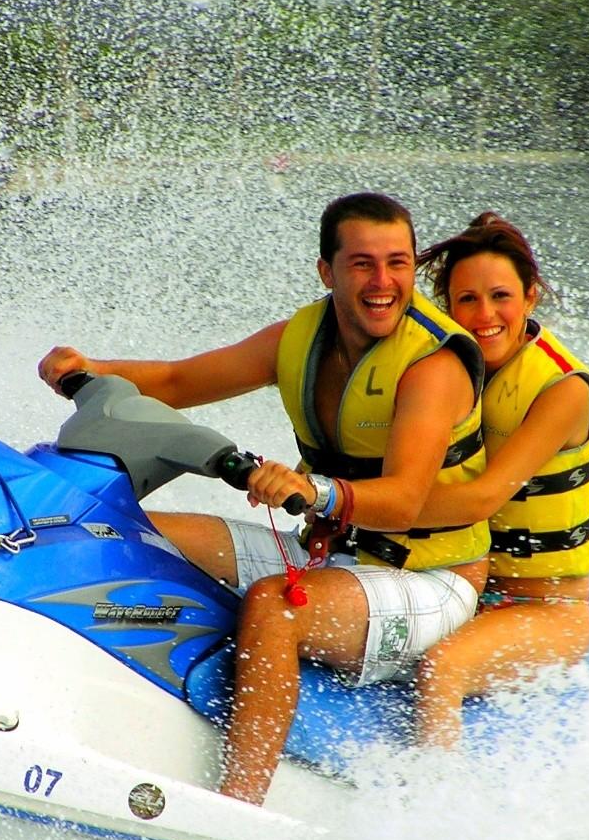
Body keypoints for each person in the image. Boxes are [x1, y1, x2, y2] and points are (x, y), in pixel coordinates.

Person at [37, 193, 490, 804]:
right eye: (362, 264)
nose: (383, 282)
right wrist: (91, 367)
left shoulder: (434, 365)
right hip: (329, 556)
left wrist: (313, 489)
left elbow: (406, 501)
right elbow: (176, 381)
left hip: (428, 578)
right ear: (327, 272)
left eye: (398, 263)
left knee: (274, 608)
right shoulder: (302, 337)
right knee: (122, 528)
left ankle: (238, 804)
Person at [409, 213, 589, 748]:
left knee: (440, 668)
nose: (484, 315)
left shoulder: (564, 389)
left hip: (548, 611)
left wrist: (351, 505)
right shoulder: (441, 368)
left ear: (530, 297)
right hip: (460, 587)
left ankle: (434, 807)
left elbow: (486, 496)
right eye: (466, 300)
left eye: (500, 297)